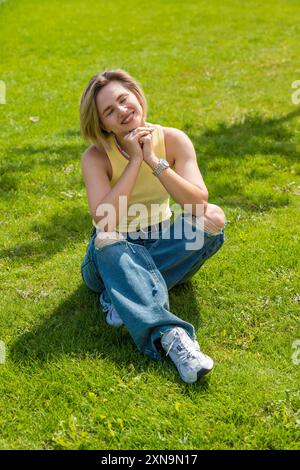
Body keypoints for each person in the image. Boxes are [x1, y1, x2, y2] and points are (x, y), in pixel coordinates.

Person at [79, 69, 226, 384]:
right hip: (111, 251)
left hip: (161, 240)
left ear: (136, 94)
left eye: (123, 99)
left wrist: (154, 161)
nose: (122, 111)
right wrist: (133, 161)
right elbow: (105, 219)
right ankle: (173, 338)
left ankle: (122, 292)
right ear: (101, 124)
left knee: (213, 218)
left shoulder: (172, 139)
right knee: (107, 236)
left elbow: (198, 204)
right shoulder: (95, 157)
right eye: (109, 111)